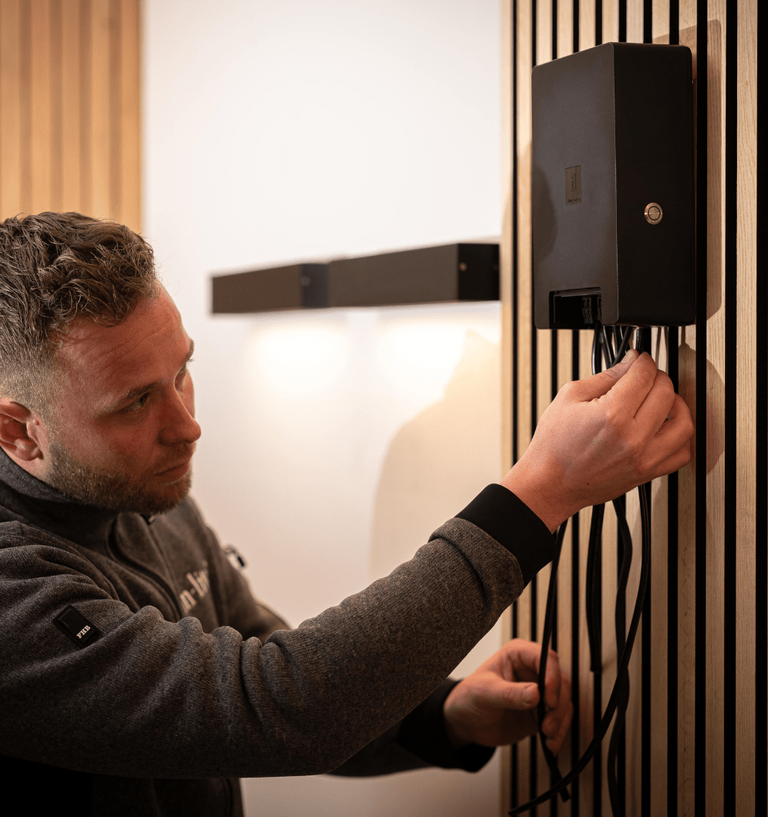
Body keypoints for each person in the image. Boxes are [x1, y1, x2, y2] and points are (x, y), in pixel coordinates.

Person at [0, 212, 693, 816]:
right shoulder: (14, 592)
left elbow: (265, 657)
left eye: (182, 370)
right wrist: (539, 495)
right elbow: (276, 706)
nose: (188, 426)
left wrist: (441, 716)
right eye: (133, 403)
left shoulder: (140, 488)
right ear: (19, 431)